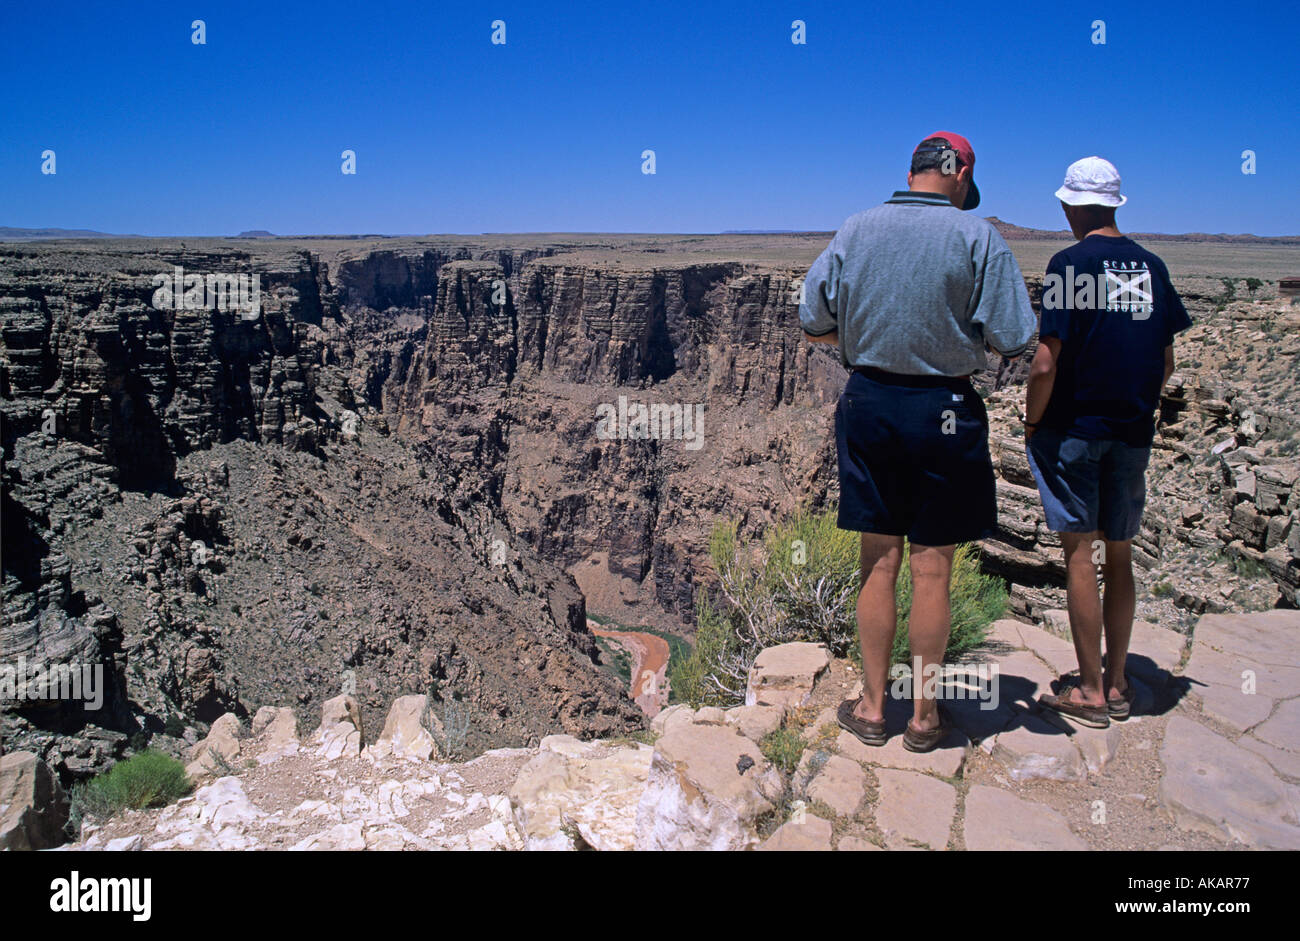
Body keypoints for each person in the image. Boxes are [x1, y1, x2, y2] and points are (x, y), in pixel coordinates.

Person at [800, 132, 1036, 752]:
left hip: (870, 401)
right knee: (933, 570)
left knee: (878, 561)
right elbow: (1014, 337)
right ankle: (925, 719)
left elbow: (812, 320)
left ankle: (874, 709)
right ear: (956, 171)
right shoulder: (978, 236)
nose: (966, 194)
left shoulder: (856, 228)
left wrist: (864, 341)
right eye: (966, 184)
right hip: (946, 409)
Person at [1026, 156, 1192, 728]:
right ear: (1117, 204)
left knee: (1080, 554)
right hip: (1131, 432)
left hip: (1074, 431)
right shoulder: (1151, 267)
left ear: (1071, 204)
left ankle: (1090, 693)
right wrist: (1136, 407)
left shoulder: (1068, 265)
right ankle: (1119, 681)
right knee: (1118, 554)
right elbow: (1166, 359)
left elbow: (1047, 361)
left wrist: (1030, 420)